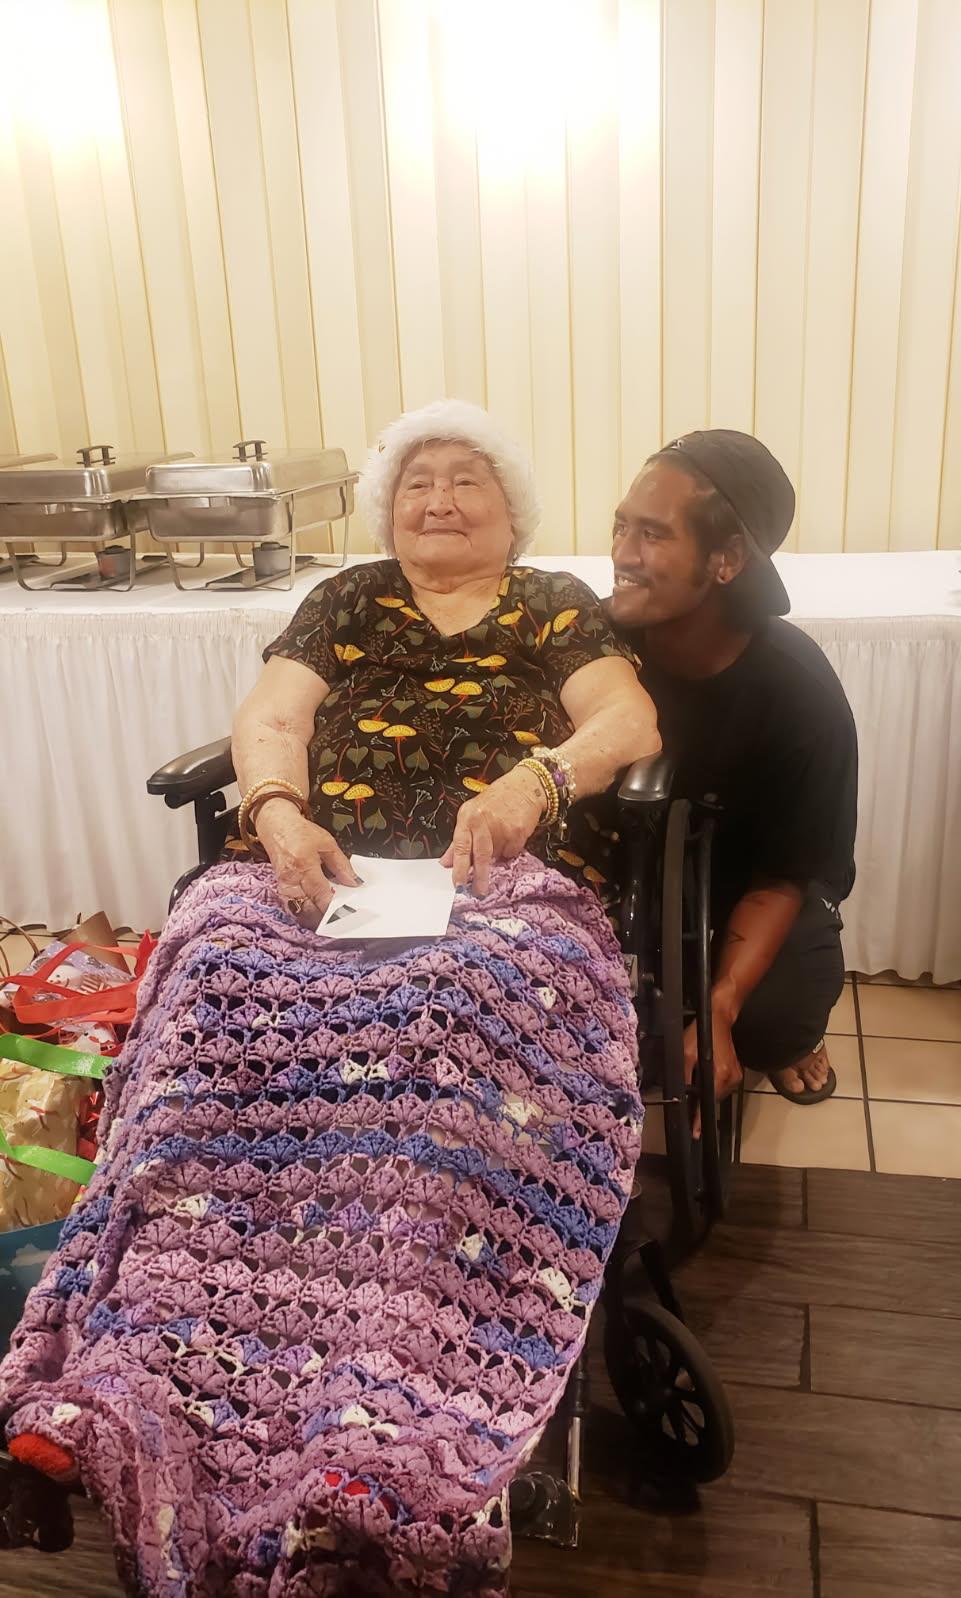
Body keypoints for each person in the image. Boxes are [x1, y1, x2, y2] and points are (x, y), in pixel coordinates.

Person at [0, 401, 659, 1596]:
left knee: (455, 1012)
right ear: (385, 508)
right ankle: (146, 1345)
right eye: (417, 483)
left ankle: (388, 1329)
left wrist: (537, 778)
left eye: (468, 481)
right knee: (206, 964)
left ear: (512, 509)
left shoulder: (555, 601)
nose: (440, 500)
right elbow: (274, 716)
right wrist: (274, 809)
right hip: (324, 871)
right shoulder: (347, 600)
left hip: (497, 884)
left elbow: (628, 719)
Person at [606, 429, 857, 1109]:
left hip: (755, 886)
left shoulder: (796, 693)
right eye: (621, 525)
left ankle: (789, 1039)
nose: (622, 555)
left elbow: (788, 872)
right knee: (621, 1030)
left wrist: (720, 1004)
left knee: (770, 1023)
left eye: (653, 535)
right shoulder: (594, 649)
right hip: (625, 880)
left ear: (725, 559)